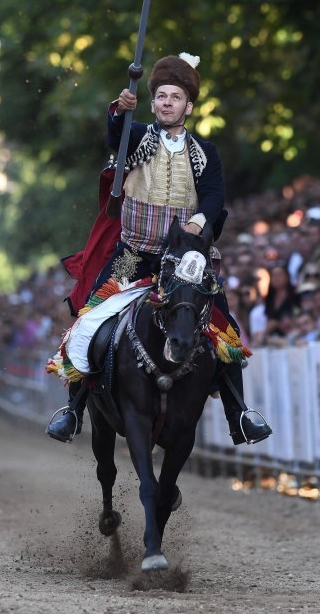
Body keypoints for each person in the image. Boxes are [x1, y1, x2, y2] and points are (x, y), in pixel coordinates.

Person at [46, 53, 272, 446]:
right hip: (133, 252)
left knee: (224, 327)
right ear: (152, 103)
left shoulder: (206, 153)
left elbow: (215, 195)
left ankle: (240, 413)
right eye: (162, 96)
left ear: (189, 106)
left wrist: (200, 221)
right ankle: (74, 408)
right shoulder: (136, 136)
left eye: (175, 97)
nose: (168, 102)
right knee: (91, 316)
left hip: (182, 258)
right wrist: (120, 111)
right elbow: (115, 137)